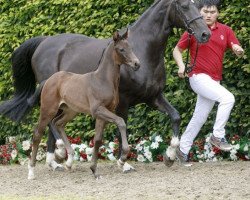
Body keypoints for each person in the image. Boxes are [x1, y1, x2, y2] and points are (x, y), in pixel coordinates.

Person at [173, 0, 244, 164]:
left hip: (214, 81)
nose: (209, 15)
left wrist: (237, 50)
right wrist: (181, 65)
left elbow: (235, 46)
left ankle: (182, 150)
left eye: (212, 12)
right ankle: (217, 136)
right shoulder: (193, 30)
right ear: (199, 12)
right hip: (198, 77)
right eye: (205, 11)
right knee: (228, 98)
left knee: (199, 117)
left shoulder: (225, 30)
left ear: (217, 13)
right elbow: (177, 50)